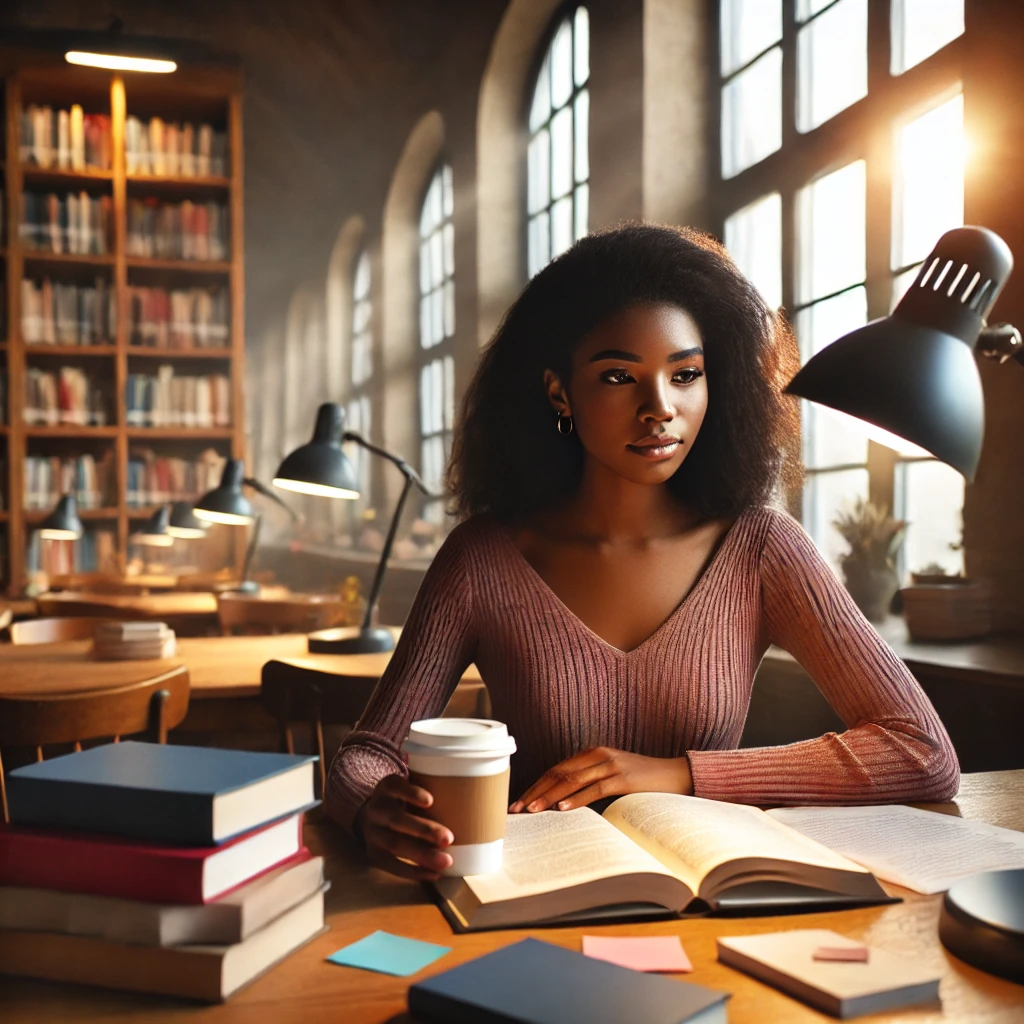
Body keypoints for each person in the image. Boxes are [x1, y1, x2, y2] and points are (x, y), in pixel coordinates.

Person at [325, 224, 959, 882]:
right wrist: (374, 807)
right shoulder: (484, 558)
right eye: (620, 376)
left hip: (712, 898)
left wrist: (678, 774)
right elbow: (366, 753)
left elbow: (920, 751)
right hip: (533, 900)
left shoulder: (761, 548)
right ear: (559, 393)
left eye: (685, 374)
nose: (660, 408)